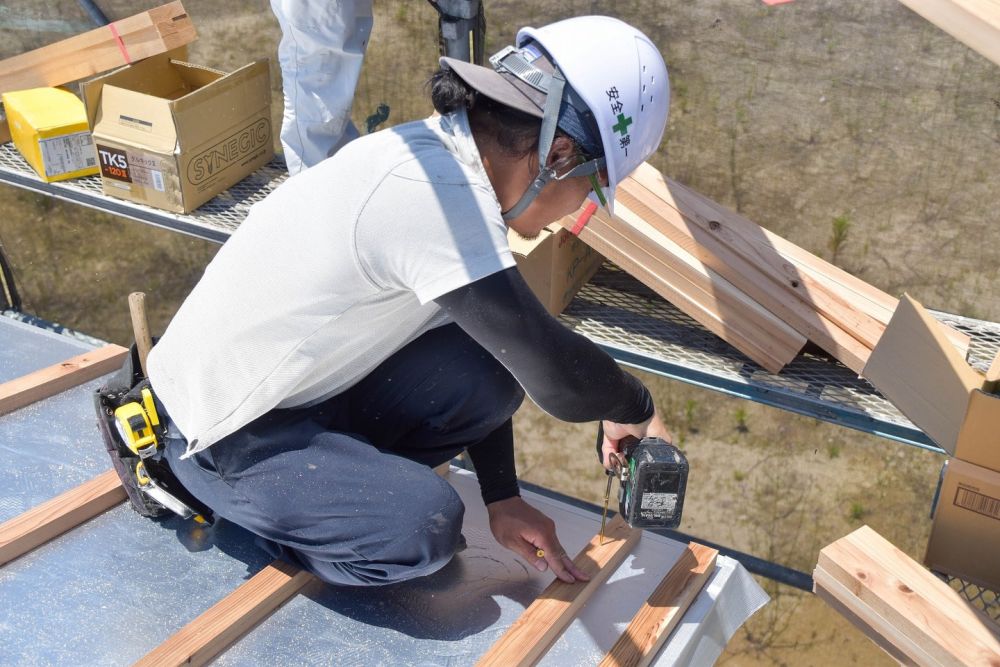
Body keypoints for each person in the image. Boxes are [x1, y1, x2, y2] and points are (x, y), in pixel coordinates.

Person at [147, 15, 673, 587]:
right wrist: (635, 406)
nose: (579, 209)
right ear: (560, 154)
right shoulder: (433, 198)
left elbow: (504, 346)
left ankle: (331, 491)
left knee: (491, 368)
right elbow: (555, 373)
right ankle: (229, 504)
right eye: (592, 187)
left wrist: (502, 496)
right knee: (421, 529)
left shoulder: (438, 162)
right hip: (214, 435)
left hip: (294, 395)